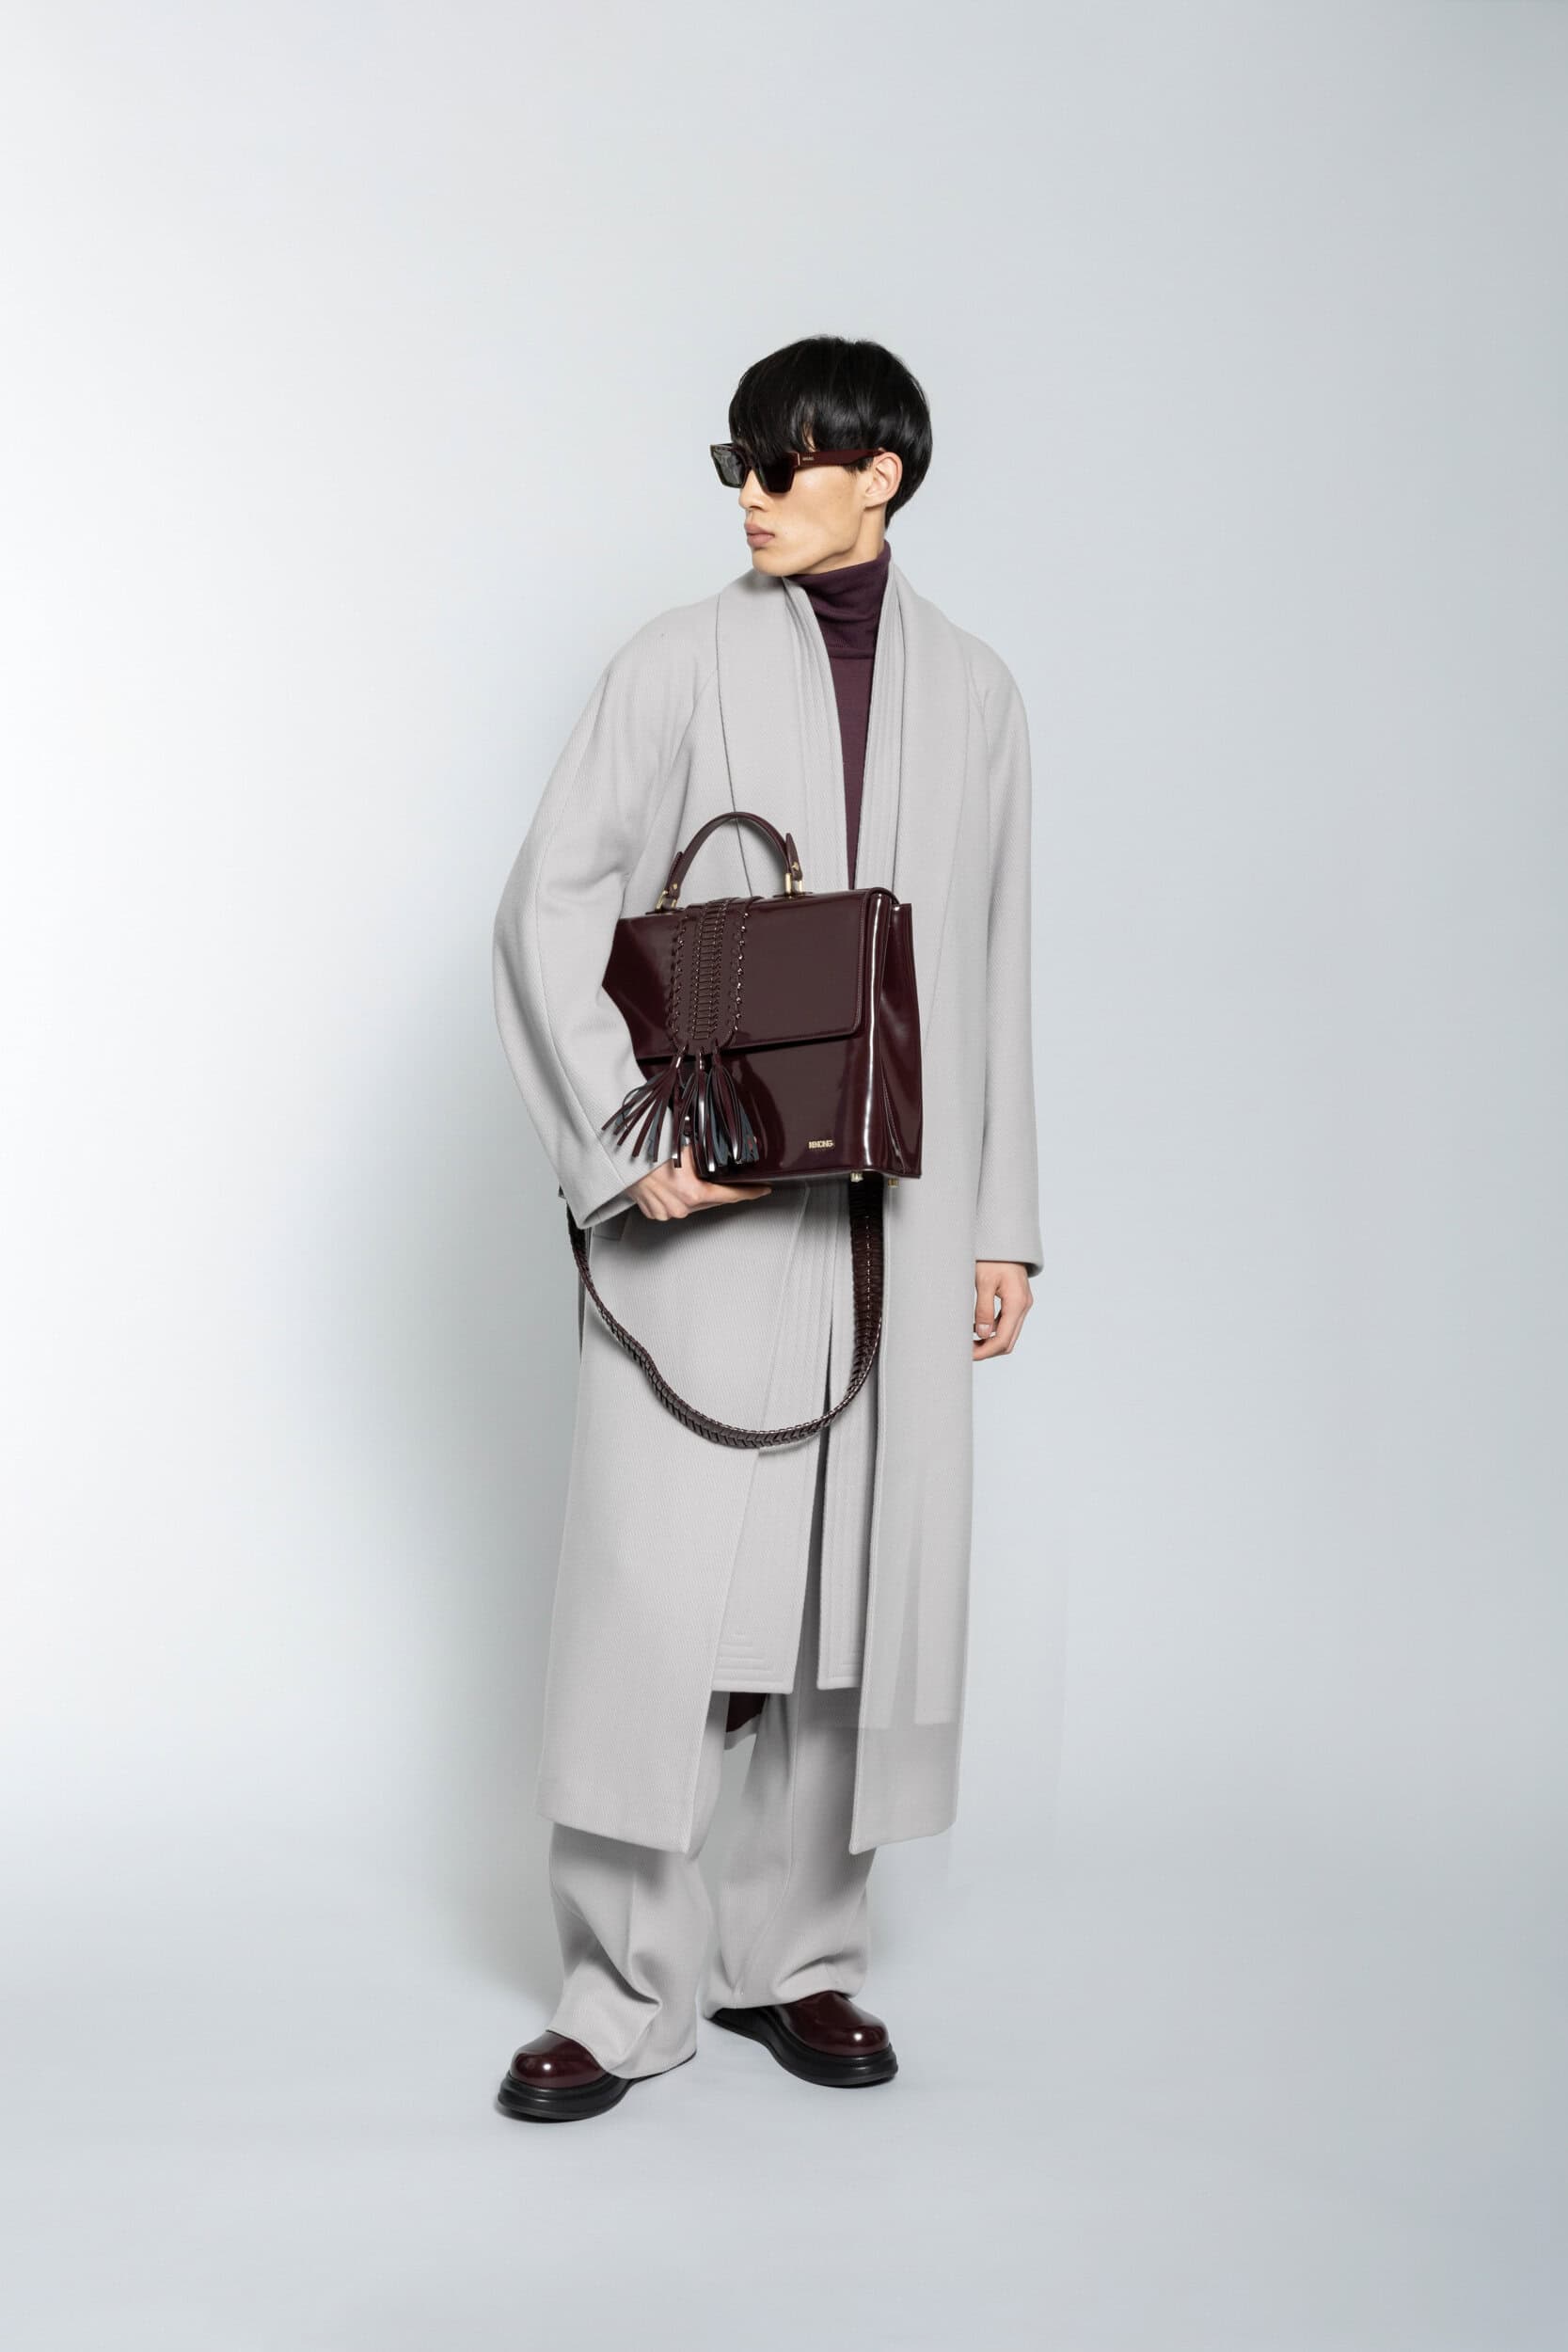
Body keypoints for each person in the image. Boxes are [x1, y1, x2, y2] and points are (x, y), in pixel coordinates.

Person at [489, 335, 1041, 2122]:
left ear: (882, 476)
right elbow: (548, 903)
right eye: (737, 458)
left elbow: (993, 967)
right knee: (657, 1606)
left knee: (849, 1598)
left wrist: (1004, 1225)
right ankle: (618, 1993)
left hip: (899, 1214)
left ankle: (791, 1962)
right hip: (710, 1209)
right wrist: (622, 1141)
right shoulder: (673, 662)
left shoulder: (979, 695)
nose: (751, 492)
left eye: (787, 462)